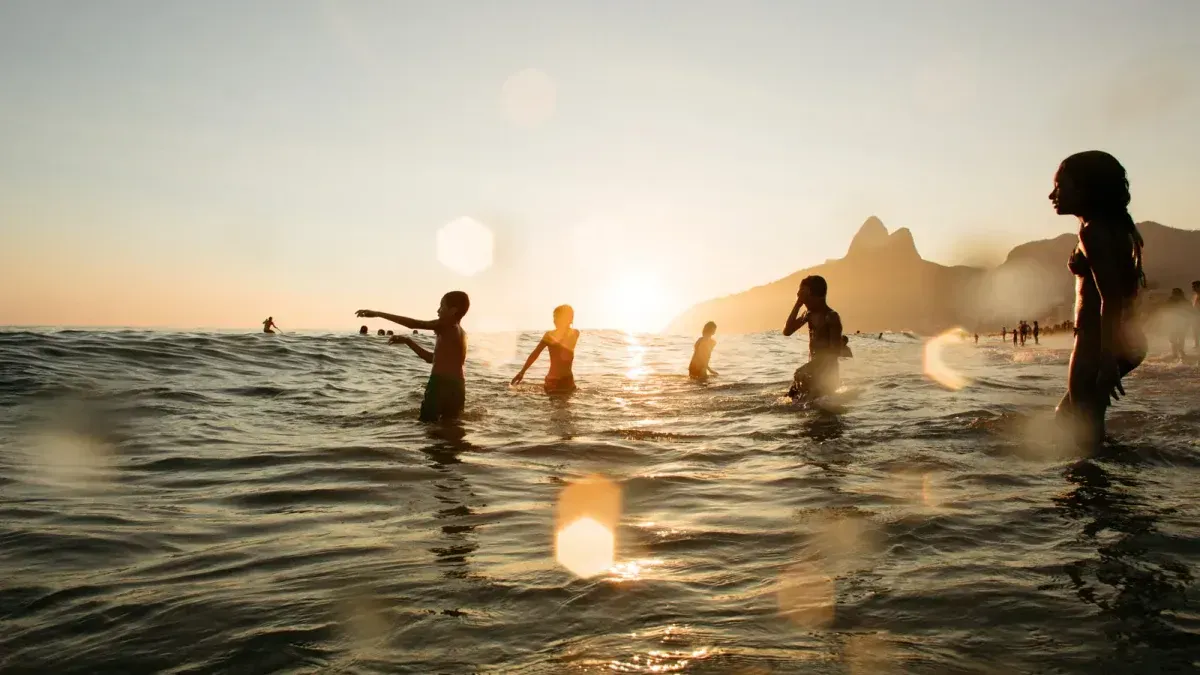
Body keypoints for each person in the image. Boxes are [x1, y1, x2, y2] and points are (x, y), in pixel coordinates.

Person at [1049, 151, 1147, 447]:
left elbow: (1111, 298)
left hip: (1098, 340)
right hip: (1119, 338)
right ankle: (1110, 484)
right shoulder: (1115, 226)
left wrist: (1106, 359)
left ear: (1085, 190)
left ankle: (1097, 489)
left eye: (1060, 186)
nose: (1052, 194)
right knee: (1071, 418)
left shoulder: (1093, 231)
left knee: (1083, 431)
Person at [356, 291, 470, 422]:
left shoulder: (445, 324)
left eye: (442, 306)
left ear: (453, 311)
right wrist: (408, 341)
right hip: (458, 387)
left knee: (427, 426)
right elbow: (431, 359)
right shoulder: (462, 334)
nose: (438, 311)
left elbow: (413, 324)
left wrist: (378, 314)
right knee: (451, 426)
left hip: (440, 384)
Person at [783, 275, 843, 401]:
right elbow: (787, 331)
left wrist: (808, 368)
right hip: (811, 373)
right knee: (787, 402)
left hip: (826, 376)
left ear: (814, 295)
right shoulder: (808, 314)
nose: (802, 299)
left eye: (804, 295)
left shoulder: (831, 317)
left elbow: (833, 354)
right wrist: (798, 304)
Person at [511, 304, 580, 393]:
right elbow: (535, 354)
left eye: (558, 317)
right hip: (553, 381)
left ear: (567, 319)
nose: (554, 320)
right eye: (554, 317)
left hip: (568, 381)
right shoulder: (568, 334)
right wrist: (522, 372)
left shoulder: (573, 333)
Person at [1167, 288, 1188, 361]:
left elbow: (1189, 312)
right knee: (1173, 339)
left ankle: (1179, 353)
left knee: (1180, 338)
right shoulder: (1170, 300)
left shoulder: (1185, 301)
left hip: (1181, 323)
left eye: (1174, 293)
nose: (1173, 294)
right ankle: (1176, 353)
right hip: (1173, 322)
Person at [1192, 280, 1200, 350]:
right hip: (1196, 317)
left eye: (1194, 287)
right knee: (1196, 331)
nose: (1193, 288)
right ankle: (1197, 344)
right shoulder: (1195, 296)